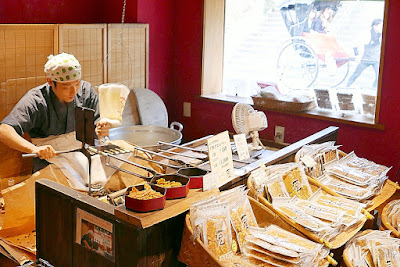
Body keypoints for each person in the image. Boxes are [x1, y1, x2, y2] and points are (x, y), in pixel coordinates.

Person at [0, 52, 111, 173]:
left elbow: (98, 119)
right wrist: (33, 149)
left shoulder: (86, 90)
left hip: (81, 156)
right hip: (49, 161)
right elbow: (4, 130)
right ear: (50, 82)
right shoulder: (37, 100)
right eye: (66, 86)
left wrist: (102, 126)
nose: (73, 92)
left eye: (77, 83)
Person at [347, 19, 383, 88]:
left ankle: (374, 88)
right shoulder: (367, 33)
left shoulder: (381, 34)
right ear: (375, 26)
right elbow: (355, 43)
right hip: (365, 59)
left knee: (379, 75)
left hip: (376, 60)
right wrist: (357, 54)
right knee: (356, 74)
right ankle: (347, 86)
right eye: (379, 26)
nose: (381, 27)